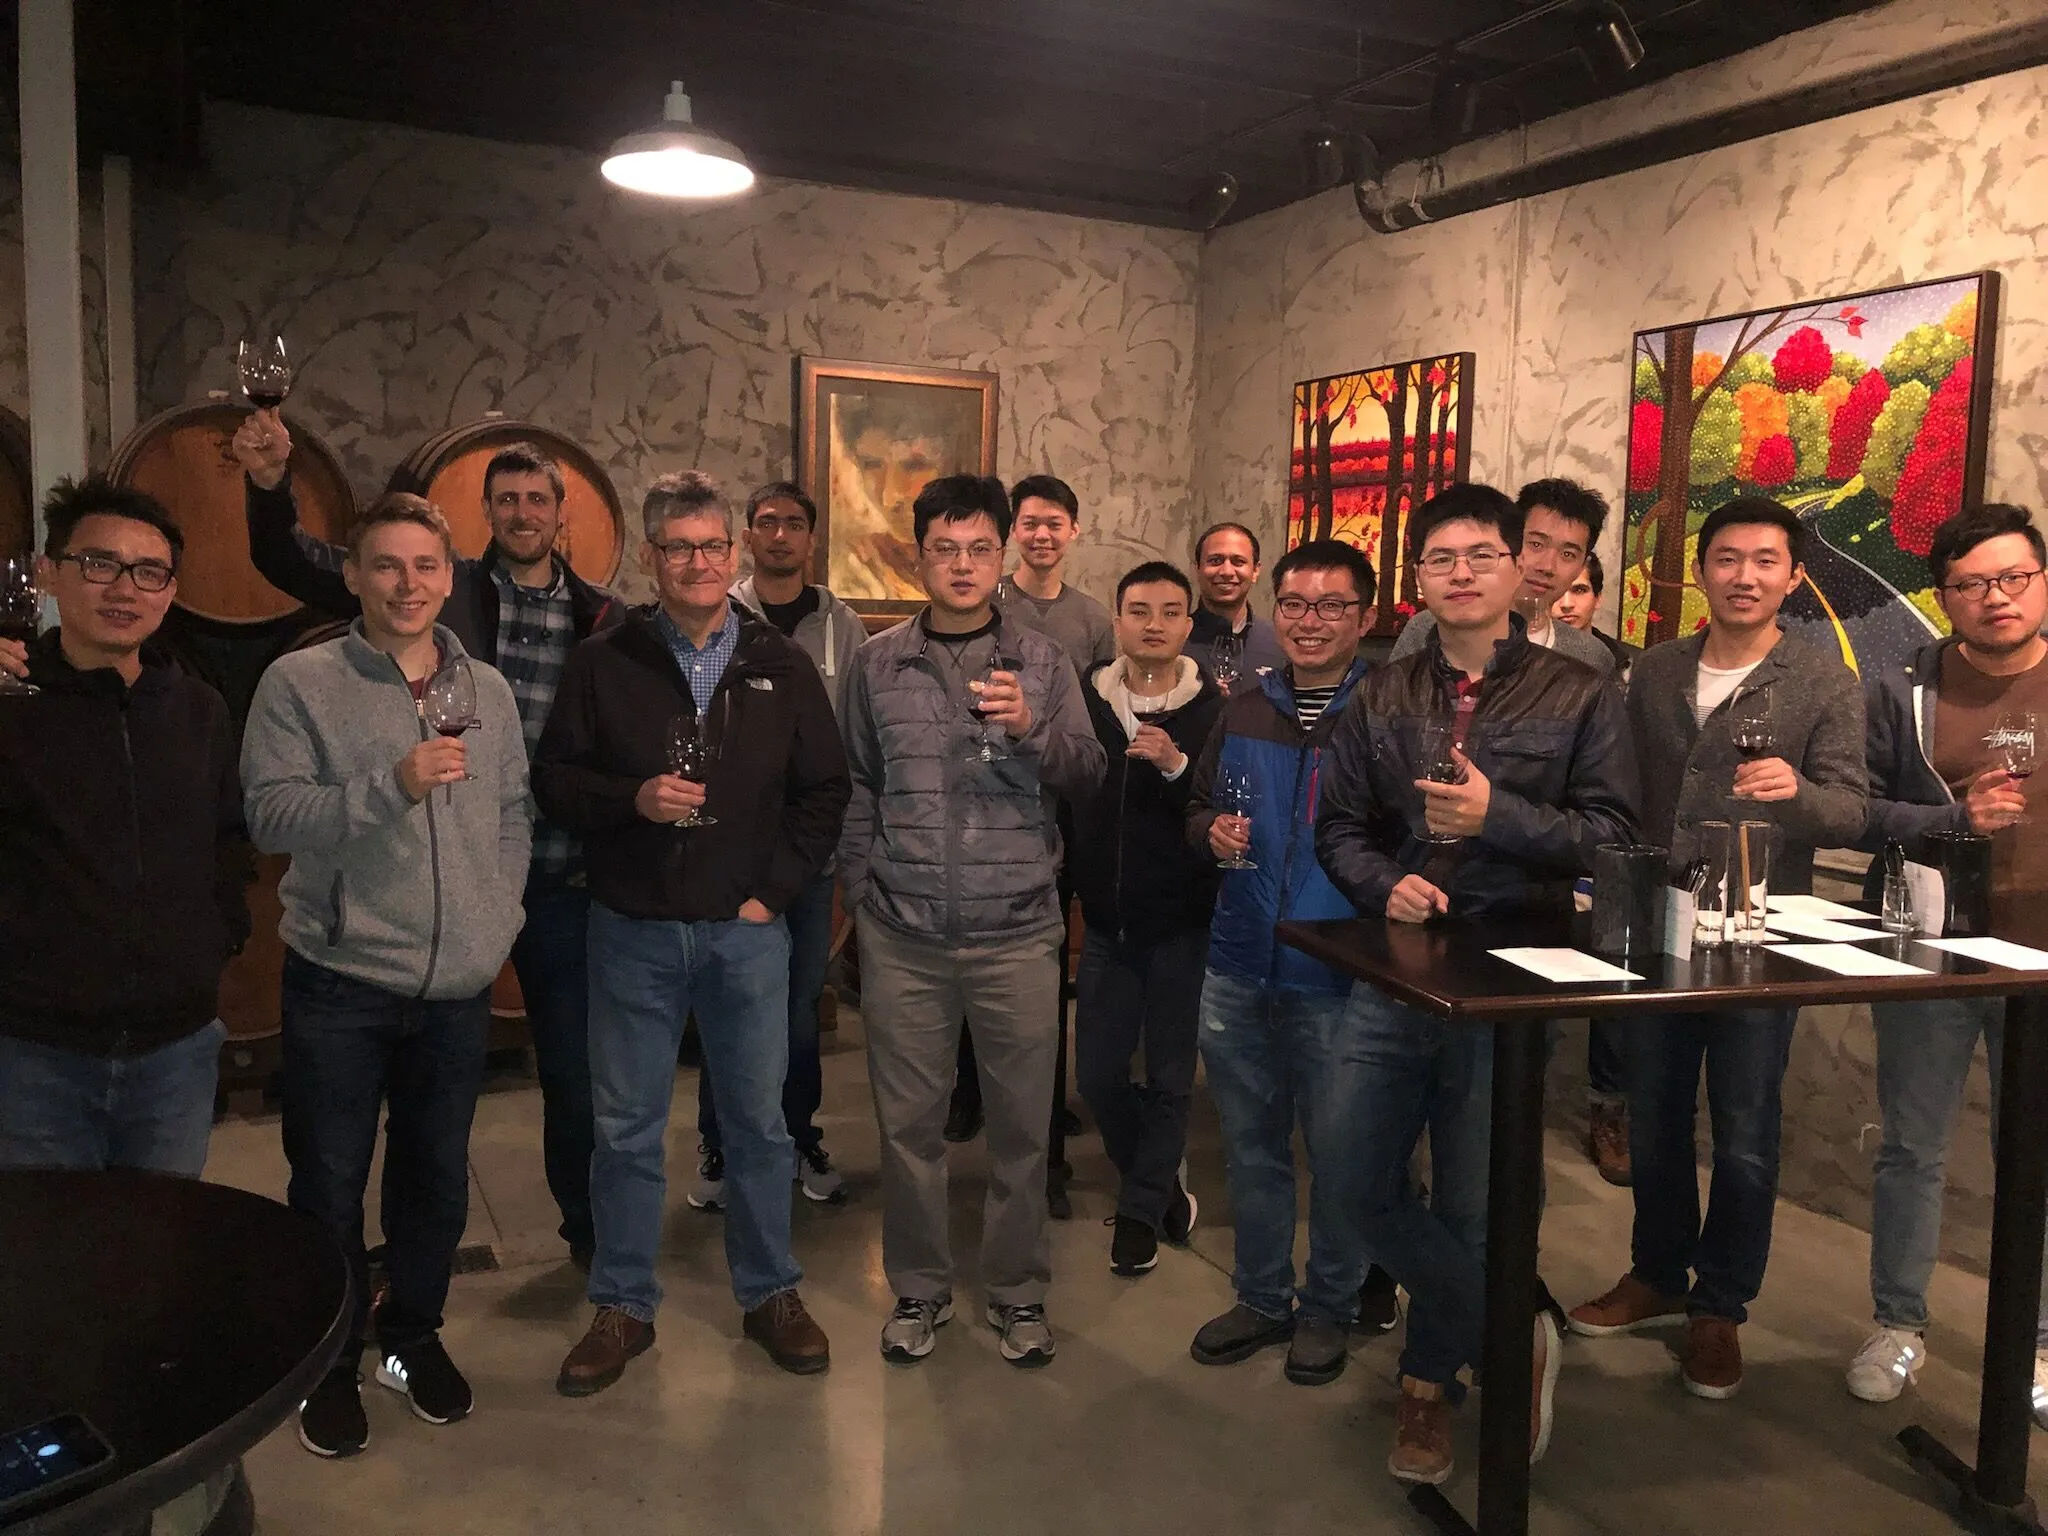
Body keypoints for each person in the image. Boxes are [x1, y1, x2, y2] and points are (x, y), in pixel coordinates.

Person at [1315, 483, 1642, 1486]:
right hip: (1394, 967)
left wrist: (1498, 815)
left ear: (1522, 572)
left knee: (1473, 1195)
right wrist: (1383, 884)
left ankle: (1423, 1390)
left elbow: (1616, 842)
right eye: (1438, 559)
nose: (1459, 574)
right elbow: (1339, 828)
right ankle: (1512, 1328)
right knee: (1347, 1173)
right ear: (1417, 579)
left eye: (1479, 555)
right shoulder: (1381, 690)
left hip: (1506, 976)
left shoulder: (1579, 693)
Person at [236, 417, 618, 1272]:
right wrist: (267, 487)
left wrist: (499, 902)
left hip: (538, 889)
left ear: (563, 513)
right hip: (372, 934)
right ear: (484, 514)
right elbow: (298, 558)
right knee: (333, 1170)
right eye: (506, 498)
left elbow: (529, 790)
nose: (523, 511)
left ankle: (584, 1247)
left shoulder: (600, 614)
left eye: (538, 499)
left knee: (563, 1089)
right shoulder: (442, 599)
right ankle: (331, 1340)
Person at [535, 472, 850, 1392]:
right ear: (650, 557)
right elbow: (555, 780)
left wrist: (773, 892)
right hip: (630, 927)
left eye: (716, 546)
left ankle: (770, 1292)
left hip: (744, 932)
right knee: (626, 1129)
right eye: (682, 548)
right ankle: (624, 1304)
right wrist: (630, 799)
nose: (702, 562)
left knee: (758, 1124)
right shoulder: (607, 658)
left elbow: (825, 789)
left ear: (735, 553)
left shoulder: (778, 662)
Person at [242, 492, 532, 1458]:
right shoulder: (300, 682)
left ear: (450, 578)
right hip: (342, 977)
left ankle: (410, 1336)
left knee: (435, 1180)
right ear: (356, 576)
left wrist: (501, 912)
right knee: (326, 1180)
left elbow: (513, 813)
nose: (409, 586)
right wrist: (390, 787)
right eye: (387, 567)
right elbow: (273, 818)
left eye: (426, 568)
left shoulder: (484, 688)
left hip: (456, 982)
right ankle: (325, 1365)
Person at [1569, 495, 1867, 1401]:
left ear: (1794, 575)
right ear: (1701, 570)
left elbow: (1852, 805)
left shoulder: (1824, 680)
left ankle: (1721, 1306)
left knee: (1743, 1131)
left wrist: (1798, 795)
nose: (1745, 576)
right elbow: (1618, 789)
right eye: (1728, 558)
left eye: (1765, 561)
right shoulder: (1654, 672)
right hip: (1659, 927)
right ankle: (1658, 1271)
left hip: (1759, 933)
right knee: (1653, 1114)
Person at [839, 473, 1105, 1367]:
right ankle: (918, 1288)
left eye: (978, 549)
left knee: (1024, 1129)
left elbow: (1088, 770)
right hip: (903, 932)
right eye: (944, 549)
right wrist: (863, 874)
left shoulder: (1041, 661)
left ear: (1003, 556)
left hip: (1018, 929)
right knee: (908, 1129)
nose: (962, 565)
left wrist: (1032, 727)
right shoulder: (879, 662)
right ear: (918, 555)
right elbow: (858, 781)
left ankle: (1019, 1292)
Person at [1846, 502, 2048, 1414]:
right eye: (1972, 584)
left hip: (2045, 958)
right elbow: (1861, 810)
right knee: (1912, 1146)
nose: (1996, 598)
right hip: (1934, 944)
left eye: (2014, 578)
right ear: (1946, 597)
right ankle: (1899, 1325)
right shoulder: (1902, 689)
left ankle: (2038, 1345)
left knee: (2037, 1153)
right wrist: (1950, 820)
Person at [1184, 538, 1391, 1388]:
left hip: (1337, 968)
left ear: (1366, 618)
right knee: (1251, 1145)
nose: (1310, 622)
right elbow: (1197, 806)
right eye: (1296, 605)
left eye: (1332, 606)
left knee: (1341, 1153)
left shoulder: (1384, 717)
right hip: (1237, 957)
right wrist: (1208, 832)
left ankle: (1330, 1307)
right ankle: (1263, 1296)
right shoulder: (1243, 708)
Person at [0, 478, 248, 1176]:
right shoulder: (13, 704)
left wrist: (218, 939)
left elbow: (227, 840)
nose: (124, 589)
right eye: (98, 564)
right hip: (33, 1049)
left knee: (157, 1256)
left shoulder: (198, 709)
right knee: (50, 1263)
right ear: (49, 573)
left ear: (170, 591)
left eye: (148, 573)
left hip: (176, 1049)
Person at [686, 479, 866, 1212]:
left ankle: (797, 1138)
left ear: (811, 538)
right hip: (731, 855)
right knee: (727, 1005)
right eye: (767, 523)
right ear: (747, 537)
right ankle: (721, 1146)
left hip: (812, 855)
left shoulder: (842, 623)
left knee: (797, 1009)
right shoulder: (717, 613)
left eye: (795, 523)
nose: (781, 535)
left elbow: (853, 733)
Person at [956, 472, 1112, 1216]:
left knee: (1040, 973)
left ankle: (1041, 1129)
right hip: (984, 804)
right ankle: (970, 1090)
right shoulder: (991, 606)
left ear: (1073, 531)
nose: (1042, 534)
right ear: (1011, 534)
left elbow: (1098, 720)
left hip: (1058, 799)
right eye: (1030, 523)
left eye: (1056, 523)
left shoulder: (1091, 617)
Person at [1069, 559, 1223, 1276]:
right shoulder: (1085, 699)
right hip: (1103, 922)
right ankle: (1156, 1182)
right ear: (1118, 619)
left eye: (1168, 611)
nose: (1153, 624)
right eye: (1138, 609)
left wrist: (1176, 766)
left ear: (1188, 626)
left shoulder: (1215, 707)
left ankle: (1138, 1213)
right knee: (1098, 1074)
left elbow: (1224, 807)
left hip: (1181, 923)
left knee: (1168, 1076)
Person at [1390, 478, 1615, 678]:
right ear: (1509, 543)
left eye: (1568, 554)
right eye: (1536, 544)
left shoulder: (1590, 656)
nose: (1547, 566)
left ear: (1582, 564)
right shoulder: (1427, 628)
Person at [1187, 522, 1287, 689]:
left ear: (1255, 570)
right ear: (1197, 569)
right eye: (1215, 561)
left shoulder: (1279, 642)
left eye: (1238, 561)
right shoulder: (1175, 641)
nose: (1226, 571)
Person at [1553, 550, 1634, 676]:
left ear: (1598, 598)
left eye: (1579, 590)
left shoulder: (1630, 664)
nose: (1566, 604)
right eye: (1556, 591)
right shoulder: (1523, 659)